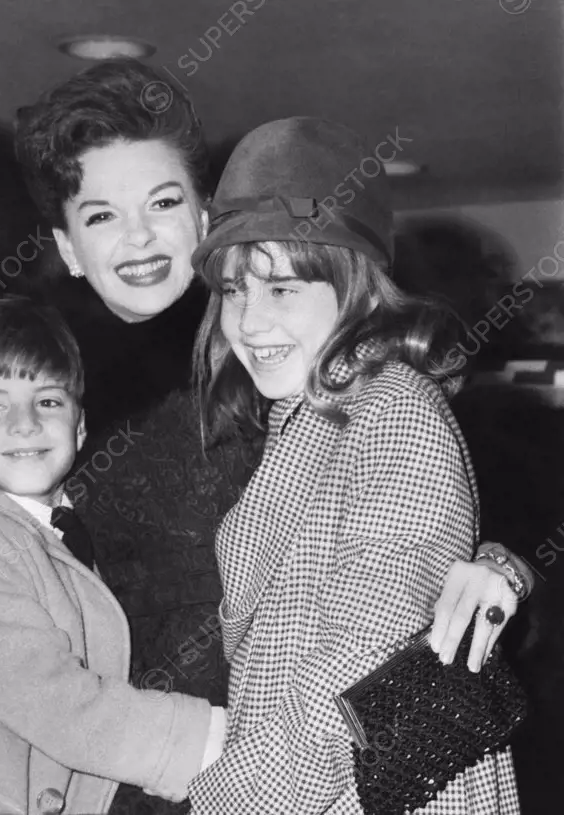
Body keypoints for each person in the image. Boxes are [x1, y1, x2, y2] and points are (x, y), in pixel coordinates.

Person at [13, 58, 533, 814]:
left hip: (300, 772)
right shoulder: (26, 396)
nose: (138, 236)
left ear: (203, 217)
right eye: (99, 214)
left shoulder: (306, 365)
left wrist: (507, 568)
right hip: (134, 768)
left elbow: (456, 516)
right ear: (64, 245)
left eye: (162, 201)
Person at [186, 116, 520, 813]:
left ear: (357, 289)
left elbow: (361, 663)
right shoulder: (308, 416)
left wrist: (230, 801)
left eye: (281, 288)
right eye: (233, 289)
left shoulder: (391, 407)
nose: (247, 321)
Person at [0, 296, 227, 815]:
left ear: (81, 426)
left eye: (48, 401)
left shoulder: (68, 532)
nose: (24, 423)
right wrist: (206, 737)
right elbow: (51, 699)